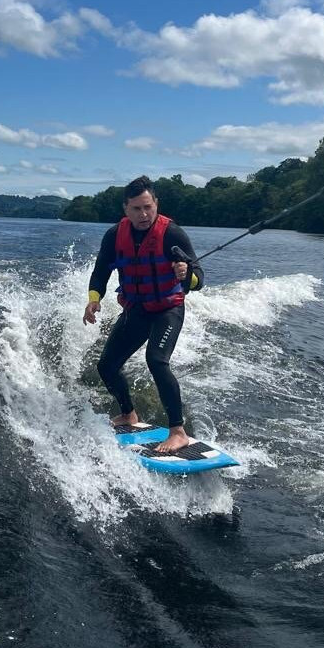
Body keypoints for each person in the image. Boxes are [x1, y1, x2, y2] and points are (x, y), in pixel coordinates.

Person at [83, 175, 204, 453]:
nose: (144, 214)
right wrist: (93, 300)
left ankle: (178, 432)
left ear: (156, 204)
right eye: (136, 209)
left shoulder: (172, 233)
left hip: (167, 309)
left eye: (148, 207)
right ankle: (128, 414)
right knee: (107, 365)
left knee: (156, 360)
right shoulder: (114, 235)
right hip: (136, 309)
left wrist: (187, 274)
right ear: (125, 209)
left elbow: (199, 279)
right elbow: (100, 272)